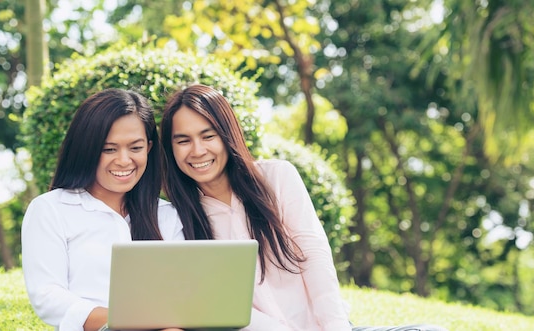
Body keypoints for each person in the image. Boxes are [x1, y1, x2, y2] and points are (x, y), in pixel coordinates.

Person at [159, 84, 448, 331]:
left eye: (208, 136)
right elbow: (223, 308)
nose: (197, 151)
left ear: (227, 135)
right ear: (171, 149)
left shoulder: (276, 177)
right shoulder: (178, 220)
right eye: (183, 141)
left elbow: (314, 254)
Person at [21, 88, 184, 331]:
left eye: (136, 148)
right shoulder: (50, 210)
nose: (124, 160)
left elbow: (180, 294)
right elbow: (47, 296)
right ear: (87, 149)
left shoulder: (167, 215)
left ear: (149, 148)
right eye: (109, 149)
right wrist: (124, 324)